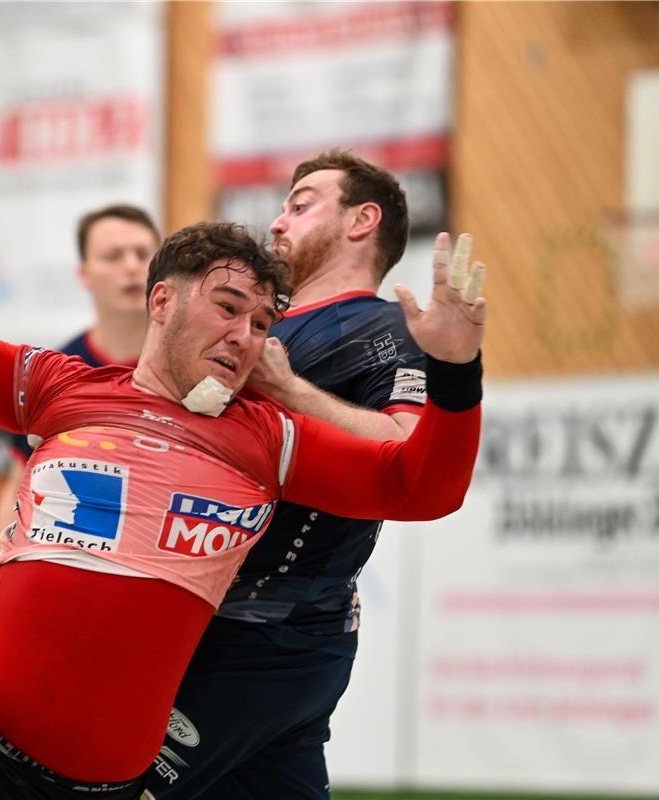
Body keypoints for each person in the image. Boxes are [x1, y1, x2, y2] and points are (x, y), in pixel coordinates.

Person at [0, 172, 486, 800]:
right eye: (226, 307)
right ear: (162, 301)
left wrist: (456, 372)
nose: (244, 335)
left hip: (88, 784)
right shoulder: (60, 385)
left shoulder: (268, 441)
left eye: (260, 323)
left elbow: (420, 488)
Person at [144, 149, 482, 799]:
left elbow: (407, 450)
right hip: (208, 625)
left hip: (271, 634)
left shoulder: (385, 328)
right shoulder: (255, 325)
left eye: (299, 206)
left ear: (361, 221)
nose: (277, 222)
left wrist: (289, 390)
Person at [0, 204, 160, 547]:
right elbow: (17, 489)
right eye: (113, 256)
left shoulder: (194, 365)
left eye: (143, 254)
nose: (131, 266)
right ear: (83, 274)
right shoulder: (51, 376)